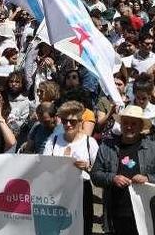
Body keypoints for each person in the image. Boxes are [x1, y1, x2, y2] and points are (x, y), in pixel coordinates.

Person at [91, 105, 155, 235]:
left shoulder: (153, 149)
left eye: (134, 123)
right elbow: (95, 175)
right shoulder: (107, 147)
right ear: (121, 125)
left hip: (144, 214)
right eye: (126, 123)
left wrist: (148, 179)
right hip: (115, 213)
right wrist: (113, 178)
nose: (129, 127)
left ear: (141, 127)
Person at [44, 100, 99, 234]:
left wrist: (87, 166)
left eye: (72, 121)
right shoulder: (54, 139)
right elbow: (44, 164)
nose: (68, 124)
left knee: (82, 228)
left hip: (81, 190)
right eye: (64, 121)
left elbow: (98, 172)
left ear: (80, 121)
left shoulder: (89, 142)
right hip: (56, 190)